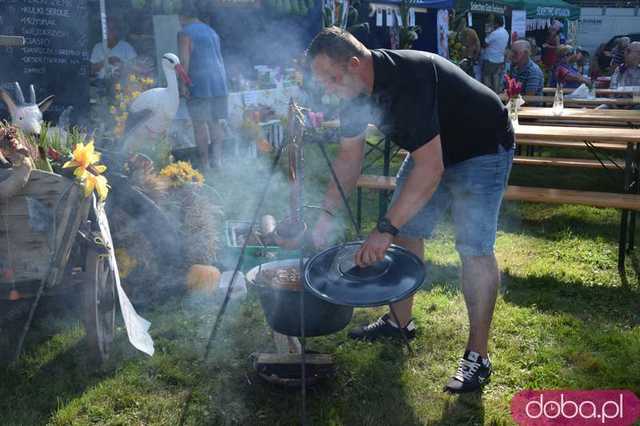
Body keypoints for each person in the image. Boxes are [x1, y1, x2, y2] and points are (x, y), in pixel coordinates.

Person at [307, 27, 514, 393]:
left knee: (474, 247)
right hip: (432, 151)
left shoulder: (407, 82)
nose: (327, 90)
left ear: (355, 65)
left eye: (331, 79)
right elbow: (348, 159)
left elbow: (431, 169)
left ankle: (477, 356)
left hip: (481, 147)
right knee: (407, 231)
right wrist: (325, 216)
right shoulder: (353, 93)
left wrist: (383, 228)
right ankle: (399, 322)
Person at [178, 2, 229, 169]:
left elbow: (184, 61)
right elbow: (218, 58)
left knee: (200, 123)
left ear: (182, 17)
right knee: (215, 121)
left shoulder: (185, 33)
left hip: (200, 82)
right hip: (219, 82)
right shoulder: (212, 32)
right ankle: (218, 161)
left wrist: (183, 84)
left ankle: (205, 163)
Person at [482, 15, 509, 93]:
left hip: (490, 58)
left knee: (486, 76)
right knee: (496, 76)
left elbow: (485, 43)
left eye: (492, 22)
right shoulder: (505, 32)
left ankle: (487, 94)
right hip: (500, 58)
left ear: (496, 23)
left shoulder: (495, 33)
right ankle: (496, 94)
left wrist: (489, 33)